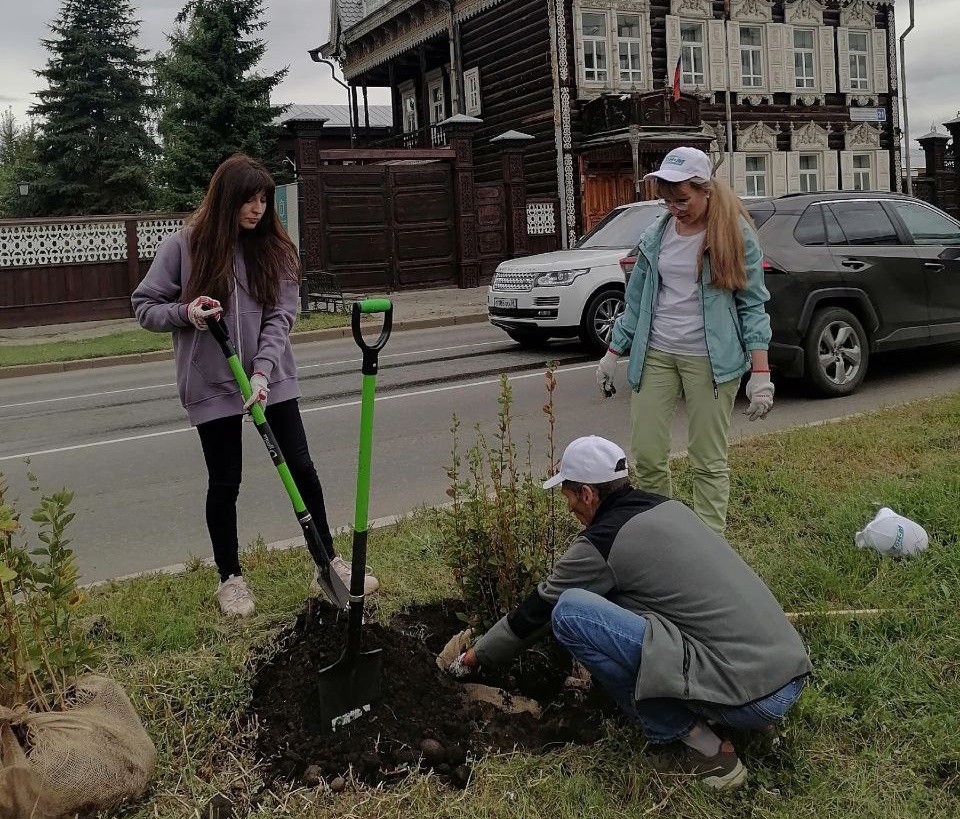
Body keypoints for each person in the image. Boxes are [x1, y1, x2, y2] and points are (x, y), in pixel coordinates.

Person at [445, 435, 811, 790]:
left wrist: (475, 657)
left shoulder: (603, 542)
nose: (569, 507)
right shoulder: (668, 508)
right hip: (787, 674)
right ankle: (752, 724)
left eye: (569, 496)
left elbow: (539, 609)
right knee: (616, 601)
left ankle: (703, 747)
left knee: (570, 612)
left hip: (752, 698)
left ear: (587, 494)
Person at [132, 153, 377, 617]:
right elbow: (145, 305)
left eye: (264, 199)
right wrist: (187, 314)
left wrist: (263, 372)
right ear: (226, 200)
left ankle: (327, 561)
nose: (258, 208)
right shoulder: (185, 246)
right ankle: (231, 579)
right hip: (212, 381)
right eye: (249, 199)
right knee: (226, 481)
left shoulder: (276, 250)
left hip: (272, 378)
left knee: (301, 467)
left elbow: (281, 316)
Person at [596, 146, 774, 534]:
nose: (674, 208)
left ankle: (709, 547)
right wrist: (613, 352)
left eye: (682, 200)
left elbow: (753, 306)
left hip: (710, 362)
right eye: (667, 201)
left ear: (705, 190)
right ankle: (662, 536)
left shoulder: (733, 234)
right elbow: (638, 299)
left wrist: (761, 373)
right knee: (646, 456)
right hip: (657, 353)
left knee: (707, 460)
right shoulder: (657, 234)